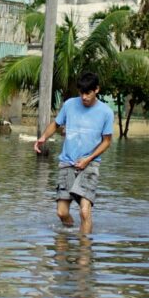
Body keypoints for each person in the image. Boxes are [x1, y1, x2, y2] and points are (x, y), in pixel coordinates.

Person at [34, 72, 113, 235]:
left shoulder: (106, 112)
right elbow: (56, 124)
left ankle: (84, 253)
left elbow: (107, 141)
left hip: (90, 164)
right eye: (81, 93)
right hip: (66, 163)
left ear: (96, 90)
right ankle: (72, 238)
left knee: (84, 212)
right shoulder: (69, 104)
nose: (84, 97)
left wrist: (88, 159)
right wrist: (43, 138)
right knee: (61, 213)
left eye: (88, 93)